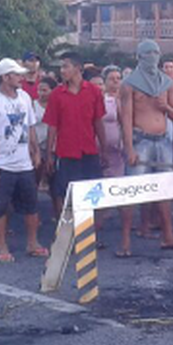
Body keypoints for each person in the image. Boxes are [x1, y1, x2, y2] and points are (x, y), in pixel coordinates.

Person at [119, 40, 173, 255]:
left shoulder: (166, 83)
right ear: (139, 56)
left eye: (156, 52)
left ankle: (168, 237)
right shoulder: (129, 84)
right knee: (132, 191)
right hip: (141, 140)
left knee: (164, 190)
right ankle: (125, 242)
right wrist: (129, 148)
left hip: (163, 141)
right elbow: (126, 119)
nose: (153, 56)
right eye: (148, 53)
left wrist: (166, 107)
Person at [0, 58, 46, 263]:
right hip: (2, 163)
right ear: (6, 77)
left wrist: (35, 152)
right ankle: (2, 246)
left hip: (24, 162)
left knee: (31, 206)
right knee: (0, 207)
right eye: (17, 74)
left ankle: (32, 243)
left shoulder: (25, 97)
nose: (21, 78)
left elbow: (30, 127)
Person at [44, 52, 107, 222]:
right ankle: (68, 230)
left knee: (93, 192)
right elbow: (52, 126)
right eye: (61, 66)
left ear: (77, 68)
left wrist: (104, 149)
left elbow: (98, 122)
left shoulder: (93, 91)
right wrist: (49, 153)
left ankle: (91, 231)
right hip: (66, 152)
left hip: (89, 150)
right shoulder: (57, 94)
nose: (62, 70)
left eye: (66, 66)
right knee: (65, 193)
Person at [100, 66, 125, 179]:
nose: (115, 81)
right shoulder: (101, 100)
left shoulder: (126, 99)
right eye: (112, 78)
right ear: (105, 81)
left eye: (118, 78)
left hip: (121, 149)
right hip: (102, 147)